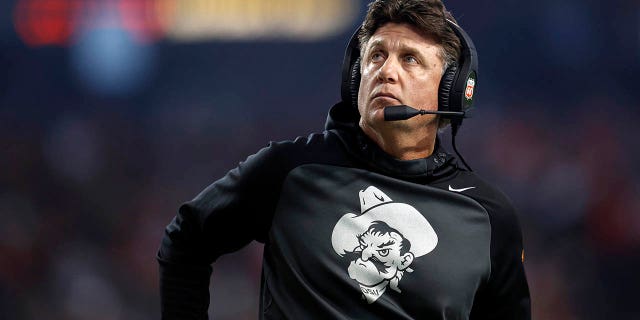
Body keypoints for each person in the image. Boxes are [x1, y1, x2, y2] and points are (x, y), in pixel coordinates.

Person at [157, 0, 531, 319]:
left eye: (410, 59)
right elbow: (185, 242)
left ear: (451, 90)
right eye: (377, 55)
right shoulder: (291, 170)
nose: (386, 71)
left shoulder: (488, 217)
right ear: (356, 78)